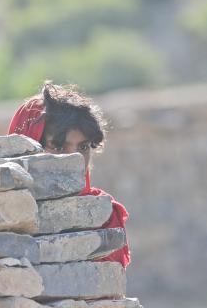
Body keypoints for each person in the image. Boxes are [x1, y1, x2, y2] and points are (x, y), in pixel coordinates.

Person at [7, 81, 130, 268]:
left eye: (83, 147)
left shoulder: (104, 216)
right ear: (27, 146)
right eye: (58, 147)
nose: (75, 159)